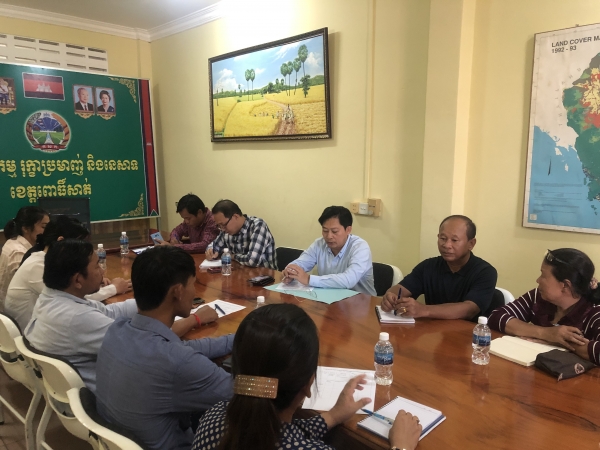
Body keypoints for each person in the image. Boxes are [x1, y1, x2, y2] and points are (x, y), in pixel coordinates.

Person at [192, 304, 422, 450]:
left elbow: (284, 430)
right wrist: (401, 447)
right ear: (307, 384)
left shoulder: (213, 417)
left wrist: (333, 416)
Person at [96, 246, 233, 450]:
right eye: (192, 284)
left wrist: (240, 338)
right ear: (177, 291)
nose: (195, 292)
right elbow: (243, 394)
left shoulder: (117, 330)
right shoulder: (178, 362)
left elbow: (184, 347)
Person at [5, 216, 131, 331]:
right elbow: (77, 298)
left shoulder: (47, 260)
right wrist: (113, 288)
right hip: (30, 331)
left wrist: (93, 278)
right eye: (79, 244)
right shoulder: (37, 266)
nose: (83, 250)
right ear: (62, 242)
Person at [489, 248, 600, 365]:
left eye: (543, 275)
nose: (538, 280)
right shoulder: (539, 297)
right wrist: (545, 333)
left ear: (565, 285)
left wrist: (561, 341)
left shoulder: (594, 310)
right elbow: (496, 317)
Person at [381, 215, 497, 320]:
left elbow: (469, 309)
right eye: (443, 238)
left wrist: (423, 310)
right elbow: (402, 288)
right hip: (433, 331)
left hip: (468, 333)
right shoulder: (428, 266)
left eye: (454, 240)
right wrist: (390, 296)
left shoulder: (485, 272)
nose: (447, 245)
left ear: (471, 244)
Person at [282, 206, 376, 295]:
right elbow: (301, 262)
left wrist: (308, 279)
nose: (329, 236)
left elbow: (349, 280)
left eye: (334, 231)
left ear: (348, 230)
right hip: (328, 299)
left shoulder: (360, 247)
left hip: (361, 302)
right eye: (325, 230)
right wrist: (290, 272)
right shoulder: (319, 244)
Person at [0, 207, 49, 309]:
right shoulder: (18, 252)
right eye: (44, 227)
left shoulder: (14, 242)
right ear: (26, 228)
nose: (49, 231)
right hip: (14, 312)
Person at [205, 199, 277, 269]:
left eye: (223, 225)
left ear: (235, 217)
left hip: (264, 275)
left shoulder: (258, 225)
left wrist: (233, 256)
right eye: (219, 226)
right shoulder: (226, 230)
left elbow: (252, 260)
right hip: (240, 273)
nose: (222, 229)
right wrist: (211, 252)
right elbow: (214, 246)